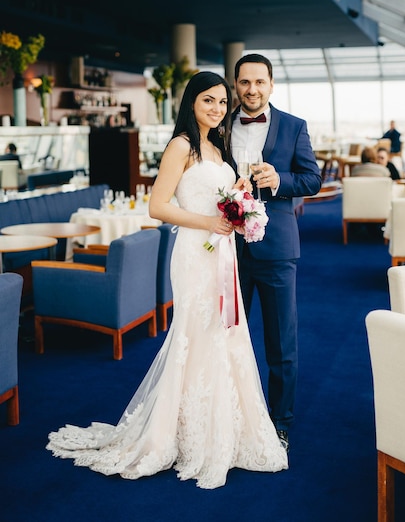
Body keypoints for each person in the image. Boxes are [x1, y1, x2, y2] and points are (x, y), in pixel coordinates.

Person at [46, 71, 288, 489]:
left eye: (220, 101)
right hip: (195, 253)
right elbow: (158, 207)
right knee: (197, 332)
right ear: (191, 101)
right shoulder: (181, 146)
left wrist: (241, 196)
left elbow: (221, 197)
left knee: (226, 331)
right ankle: (181, 432)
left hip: (222, 251)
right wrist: (211, 219)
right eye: (207, 100)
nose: (216, 108)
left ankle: (227, 428)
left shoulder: (218, 146)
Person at [231, 54, 322, 453]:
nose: (252, 89)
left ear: (271, 84)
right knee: (226, 338)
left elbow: (313, 179)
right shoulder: (217, 125)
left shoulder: (294, 126)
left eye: (259, 82)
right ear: (236, 85)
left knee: (281, 345)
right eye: (244, 82)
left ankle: (279, 424)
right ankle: (230, 416)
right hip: (226, 249)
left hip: (277, 250)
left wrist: (279, 179)